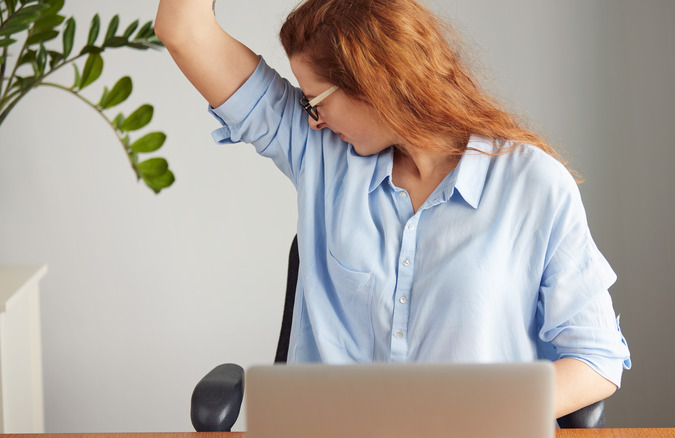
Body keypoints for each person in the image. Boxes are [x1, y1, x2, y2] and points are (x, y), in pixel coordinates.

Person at [155, 0, 631, 419]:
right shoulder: (320, 153)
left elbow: (595, 359)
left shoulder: (534, 186)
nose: (312, 120)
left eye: (314, 100)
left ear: (374, 86)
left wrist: (476, 416)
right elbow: (183, 28)